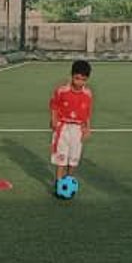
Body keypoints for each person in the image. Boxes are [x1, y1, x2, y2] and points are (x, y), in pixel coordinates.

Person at [49, 59, 94, 189]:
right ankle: (58, 184)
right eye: (77, 78)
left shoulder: (88, 94)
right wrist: (53, 119)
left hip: (78, 129)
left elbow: (87, 113)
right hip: (63, 127)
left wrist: (87, 128)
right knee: (61, 157)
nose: (79, 82)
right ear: (72, 76)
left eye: (83, 80)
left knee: (74, 157)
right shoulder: (62, 90)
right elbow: (54, 105)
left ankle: (68, 181)